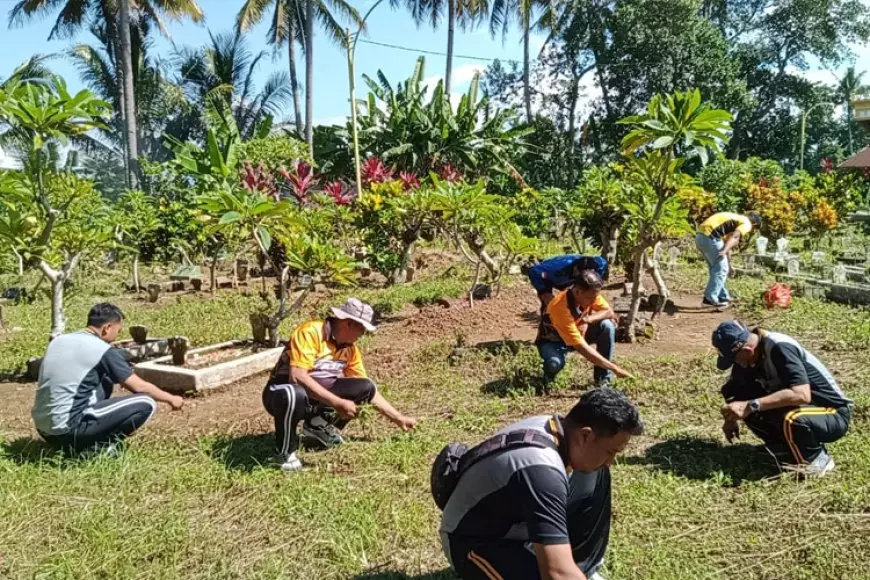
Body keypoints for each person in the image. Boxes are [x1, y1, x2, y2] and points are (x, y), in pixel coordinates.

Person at [439, 388, 643, 580]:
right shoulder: (541, 471)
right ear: (585, 435)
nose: (611, 461)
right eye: (610, 452)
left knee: (596, 474)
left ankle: (578, 566)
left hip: (517, 525)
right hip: (472, 542)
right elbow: (556, 575)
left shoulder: (558, 428)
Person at [262, 297, 418, 472]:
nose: (362, 335)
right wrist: (337, 403)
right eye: (361, 329)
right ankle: (284, 451)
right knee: (294, 393)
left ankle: (317, 426)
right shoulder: (311, 332)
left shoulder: (349, 349)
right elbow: (297, 377)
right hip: (280, 392)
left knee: (364, 387)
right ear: (347, 323)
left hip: (315, 398)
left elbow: (369, 391)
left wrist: (398, 418)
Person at [31, 303, 184, 455]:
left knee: (105, 381)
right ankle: (99, 447)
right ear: (107, 328)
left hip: (44, 430)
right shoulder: (102, 350)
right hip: (68, 429)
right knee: (146, 402)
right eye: (118, 331)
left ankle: (81, 436)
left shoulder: (59, 341)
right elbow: (139, 387)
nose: (116, 336)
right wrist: (171, 398)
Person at [713, 320, 853, 476]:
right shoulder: (749, 355)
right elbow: (735, 390)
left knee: (792, 418)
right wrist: (731, 418)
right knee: (735, 392)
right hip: (803, 408)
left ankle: (817, 460)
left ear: (748, 350)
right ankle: (782, 447)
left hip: (832, 414)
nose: (736, 363)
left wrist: (752, 405)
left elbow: (802, 394)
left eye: (735, 358)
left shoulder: (780, 347)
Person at [537, 269, 632, 388]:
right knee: (554, 364)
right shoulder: (559, 307)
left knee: (607, 326)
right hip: (554, 341)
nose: (593, 301)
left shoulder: (590, 294)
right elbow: (582, 347)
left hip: (578, 333)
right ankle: (546, 382)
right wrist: (615, 368)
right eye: (590, 298)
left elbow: (608, 311)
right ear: (577, 292)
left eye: (595, 297)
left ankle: (603, 380)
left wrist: (588, 319)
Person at [695, 211, 762, 308]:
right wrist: (724, 250)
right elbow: (735, 237)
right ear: (754, 224)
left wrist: (729, 265)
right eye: (754, 229)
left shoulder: (734, 219)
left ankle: (723, 297)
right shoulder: (747, 222)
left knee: (718, 269)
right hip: (711, 237)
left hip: (700, 237)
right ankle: (709, 299)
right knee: (721, 269)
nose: (751, 231)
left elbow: (727, 242)